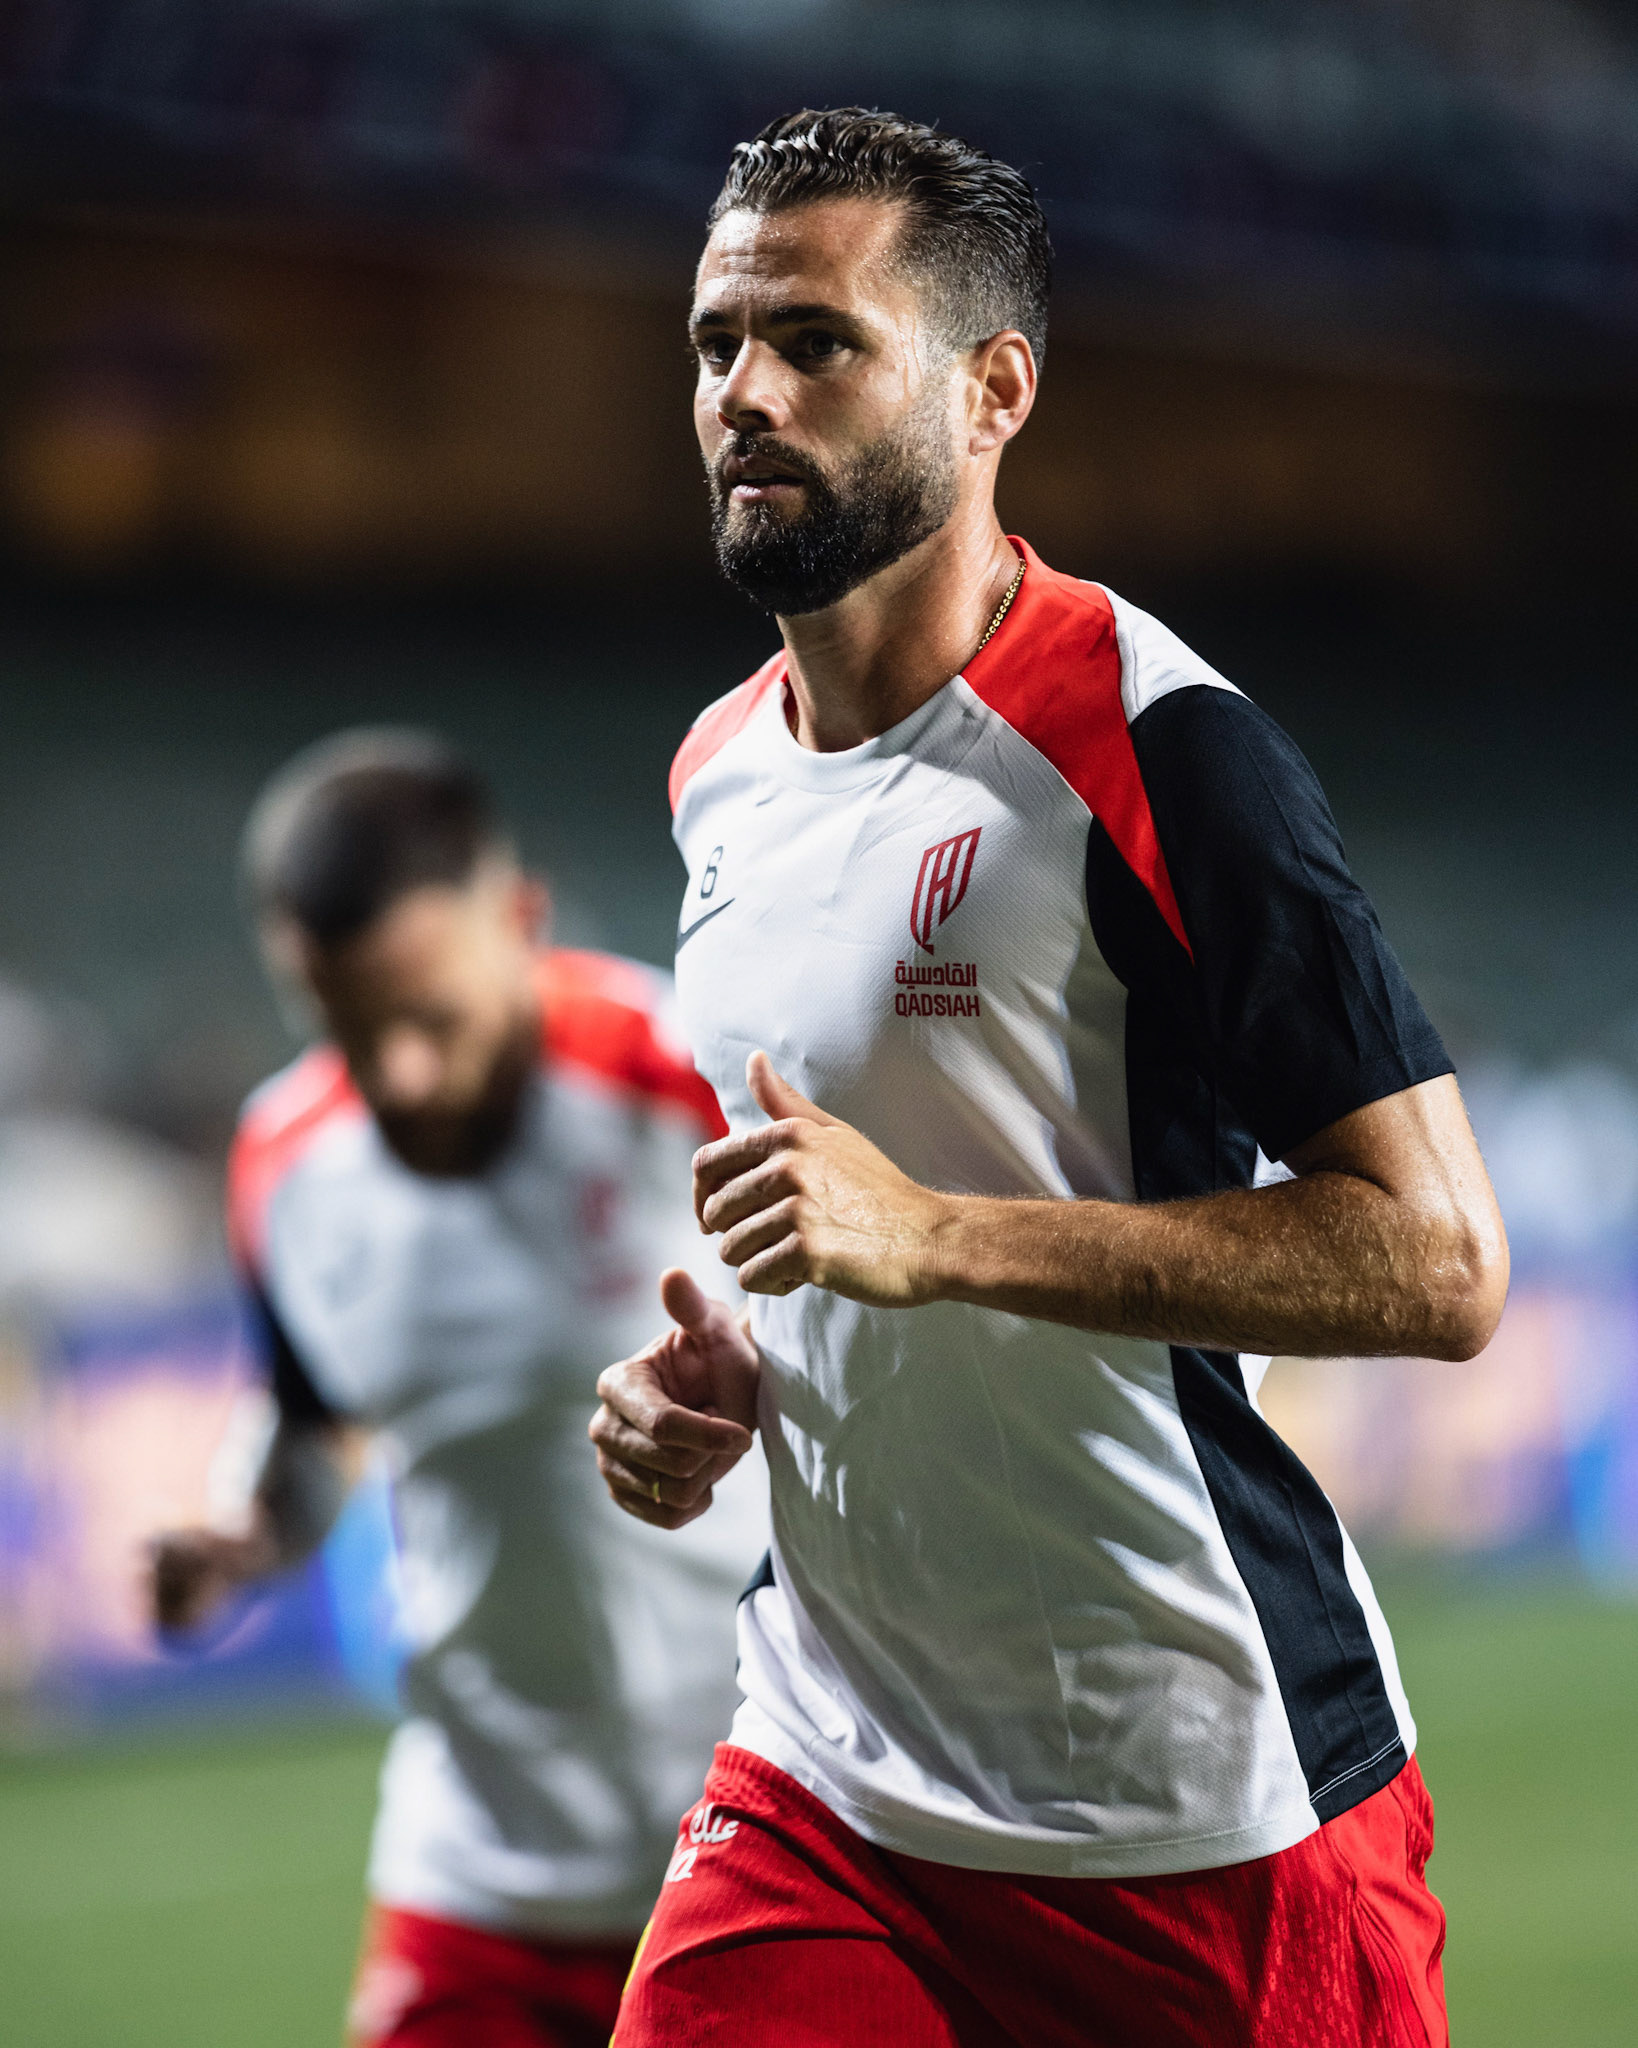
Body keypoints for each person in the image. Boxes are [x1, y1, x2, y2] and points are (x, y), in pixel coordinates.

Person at [590, 109, 1510, 2048]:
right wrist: (743, 1388)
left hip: (1206, 1819)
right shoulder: (714, 782)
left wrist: (938, 1240)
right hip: (833, 1781)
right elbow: (863, 1239)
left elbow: (1438, 1263)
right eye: (712, 342)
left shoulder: (1162, 748)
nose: (744, 394)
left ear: (995, 386)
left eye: (816, 342)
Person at [149, 729, 765, 2048]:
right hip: (473, 1860)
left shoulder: (698, 1079)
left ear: (521, 920)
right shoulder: (284, 1165)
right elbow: (313, 1427)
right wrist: (243, 1533)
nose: (398, 1077)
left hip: (743, 1841)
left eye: (428, 1018)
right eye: (345, 1030)